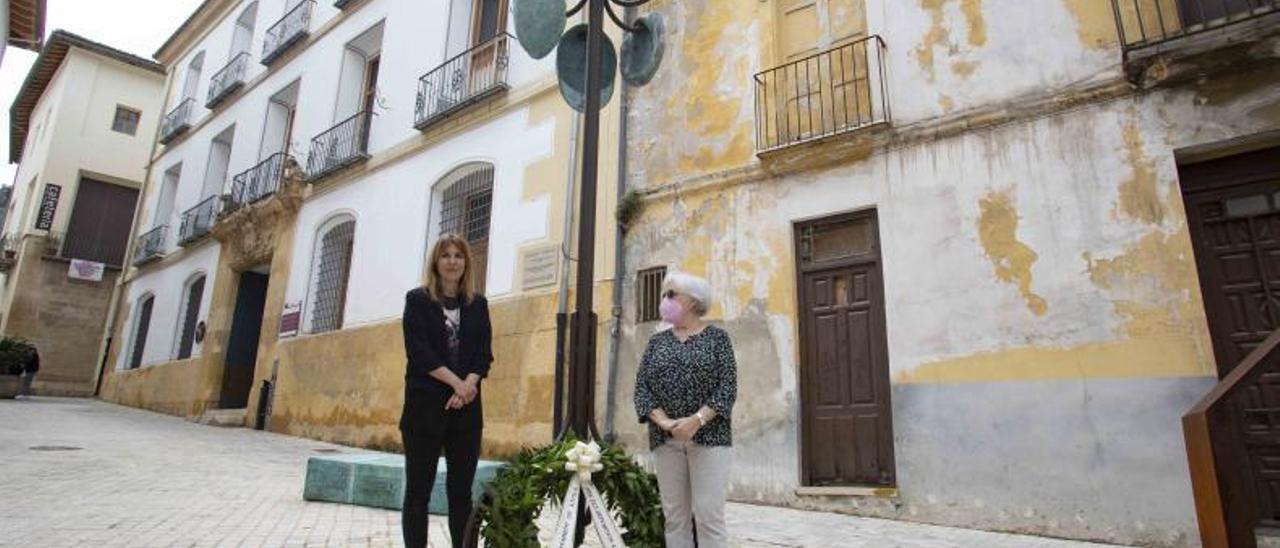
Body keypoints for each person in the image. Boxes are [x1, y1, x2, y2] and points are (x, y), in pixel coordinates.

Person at [400, 234, 493, 548]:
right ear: (435, 263)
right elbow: (419, 353)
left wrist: (469, 386)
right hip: (424, 410)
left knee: (461, 494)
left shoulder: (478, 304)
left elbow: (484, 353)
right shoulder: (417, 300)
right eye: (446, 256)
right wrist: (459, 384)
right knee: (418, 493)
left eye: (459, 255)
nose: (453, 261)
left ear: (466, 262)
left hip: (466, 413)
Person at [634, 271, 738, 548]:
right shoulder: (657, 342)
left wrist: (697, 420)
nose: (664, 300)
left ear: (692, 301)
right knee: (675, 518)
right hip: (666, 441)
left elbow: (727, 388)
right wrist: (664, 422)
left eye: (671, 294)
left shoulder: (718, 338)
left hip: (710, 439)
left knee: (708, 518)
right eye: (664, 295)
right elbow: (642, 389)